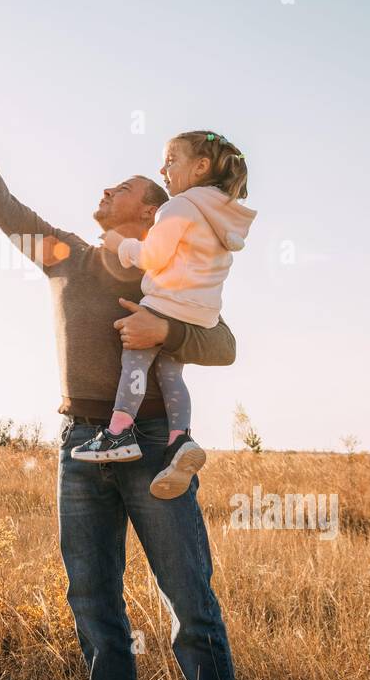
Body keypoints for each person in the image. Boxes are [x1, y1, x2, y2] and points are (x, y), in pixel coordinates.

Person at [0, 96, 238, 680]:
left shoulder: (171, 274)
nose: (105, 190)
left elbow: (224, 345)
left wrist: (165, 329)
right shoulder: (67, 256)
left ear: (152, 213)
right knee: (94, 606)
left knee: (190, 605)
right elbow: (3, 209)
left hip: (151, 447)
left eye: (121, 187)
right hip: (79, 446)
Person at [72, 131, 256, 503]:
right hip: (201, 313)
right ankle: (179, 440)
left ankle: (119, 431)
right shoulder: (219, 214)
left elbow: (153, 257)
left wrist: (118, 246)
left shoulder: (181, 206)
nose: (163, 169)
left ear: (200, 166)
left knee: (135, 360)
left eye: (171, 161)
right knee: (171, 372)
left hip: (166, 303)